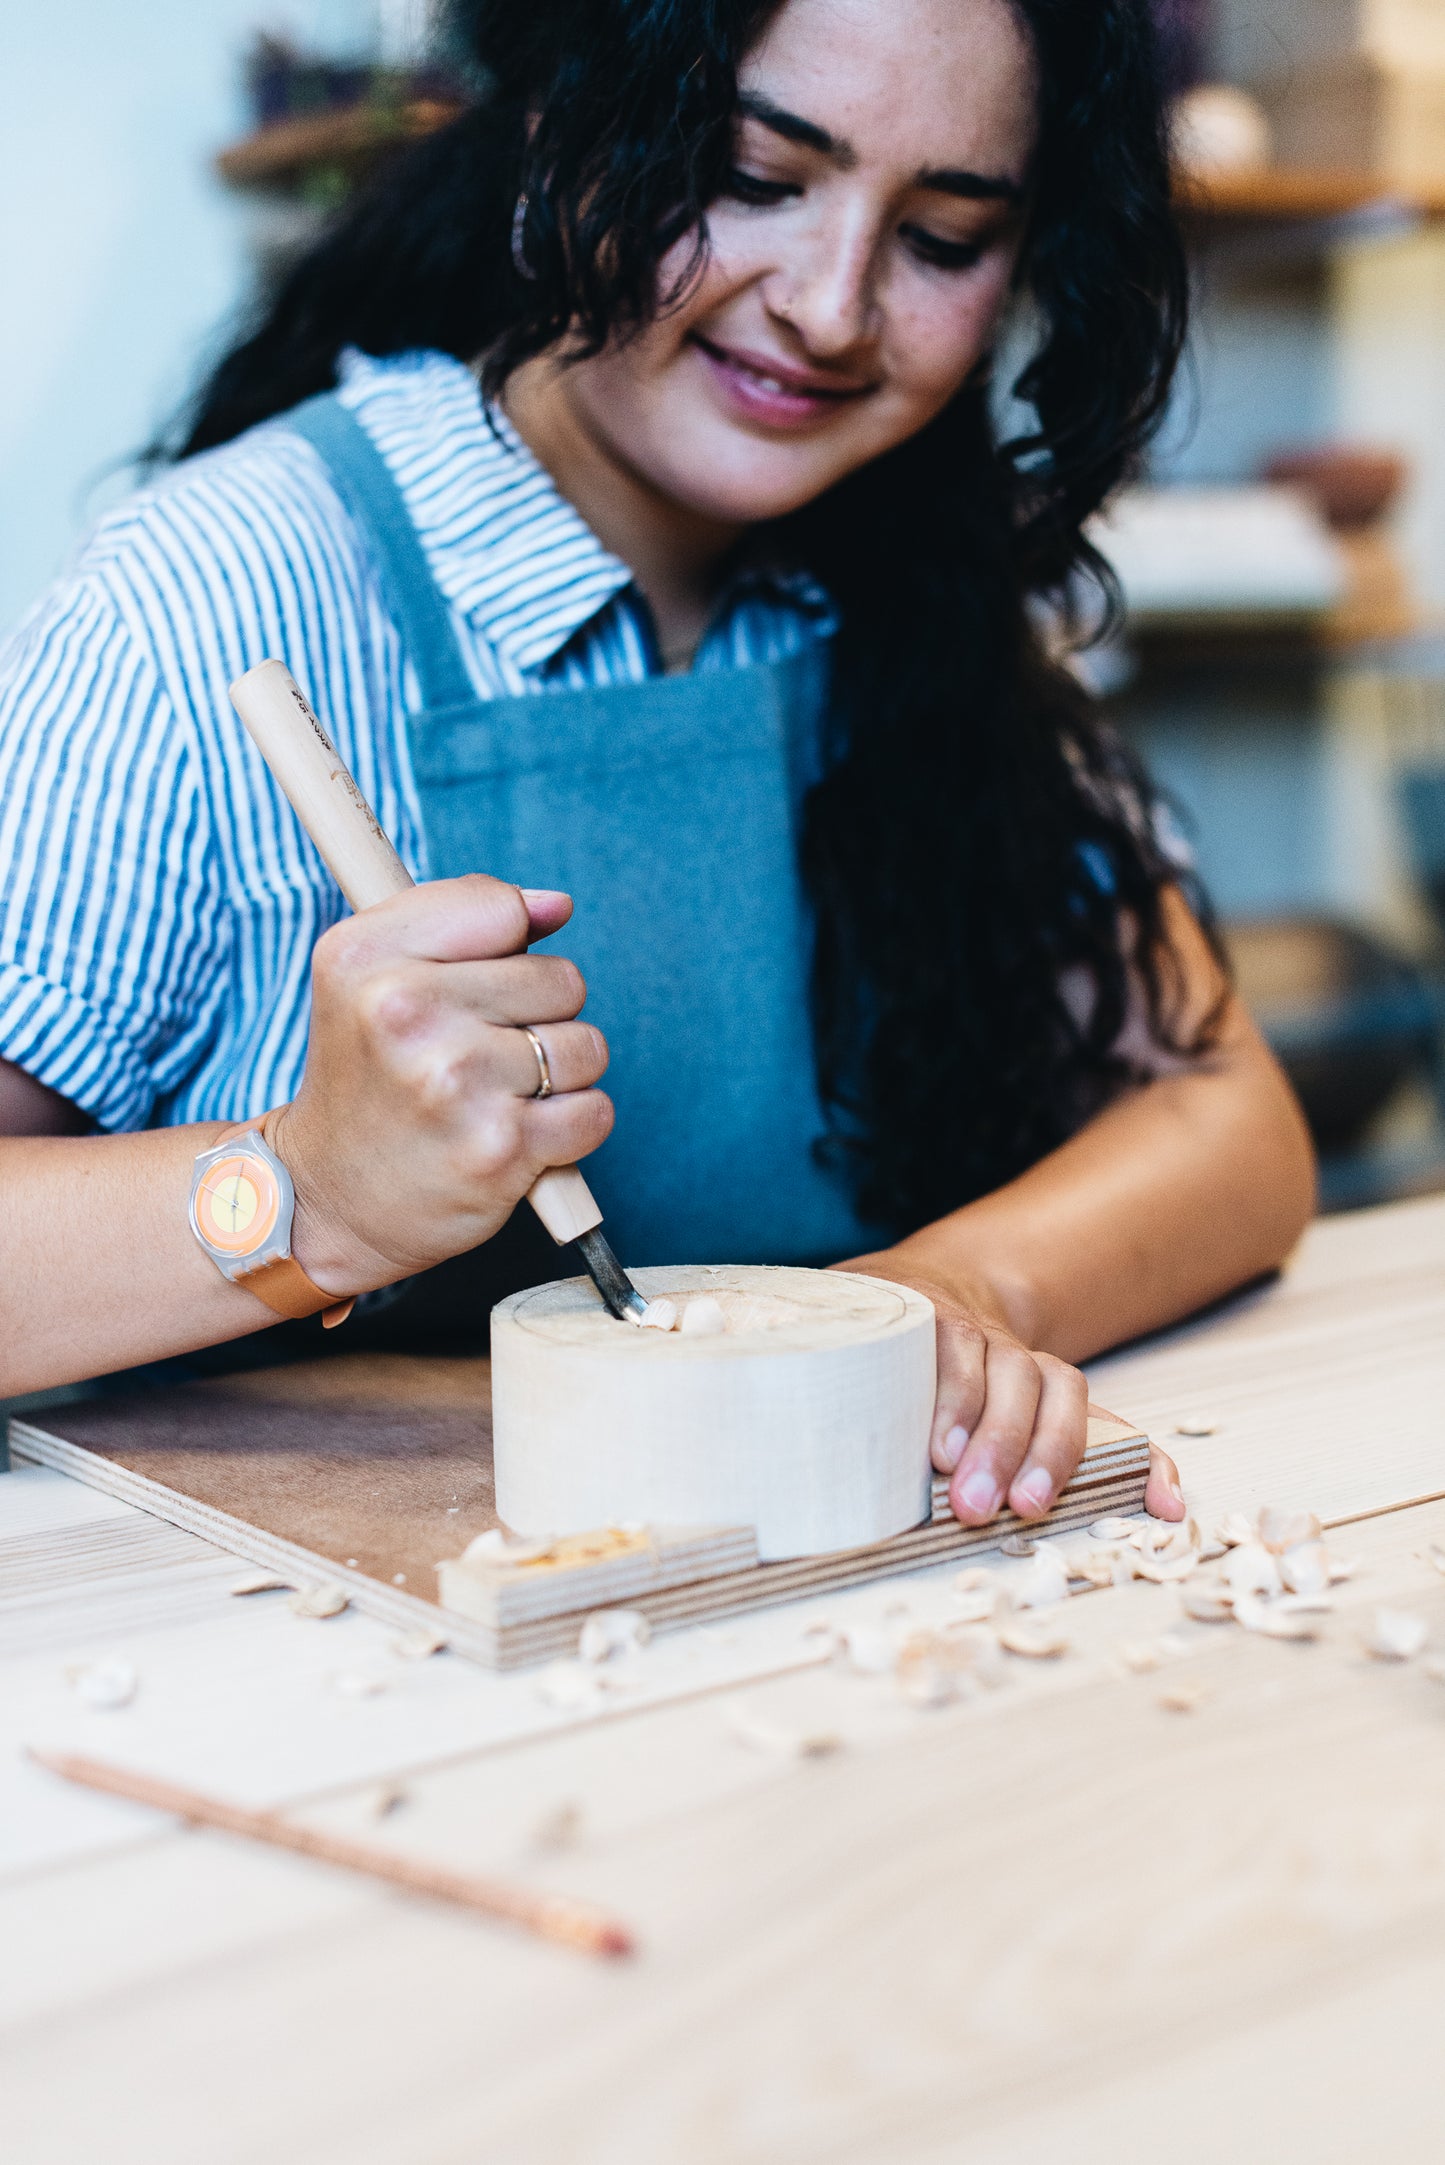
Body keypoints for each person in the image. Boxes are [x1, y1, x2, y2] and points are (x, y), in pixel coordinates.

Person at [0, 0, 1315, 1528]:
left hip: (780, 1599)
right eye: (756, 176)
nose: (831, 309)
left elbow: (1228, 1115)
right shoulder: (219, 595)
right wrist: (314, 1190)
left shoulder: (920, 597)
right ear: (566, 118)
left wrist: (941, 1296)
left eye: (943, 235)